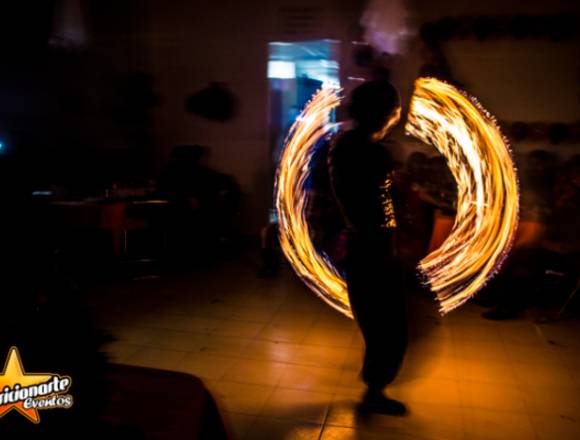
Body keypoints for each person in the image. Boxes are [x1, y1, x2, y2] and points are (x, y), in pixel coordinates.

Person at [328, 80, 407, 415]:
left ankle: (376, 385)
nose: (399, 113)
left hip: (362, 243)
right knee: (387, 325)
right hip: (373, 247)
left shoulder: (347, 145)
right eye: (397, 107)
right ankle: (375, 391)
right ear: (387, 113)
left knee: (379, 322)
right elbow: (377, 206)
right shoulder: (372, 152)